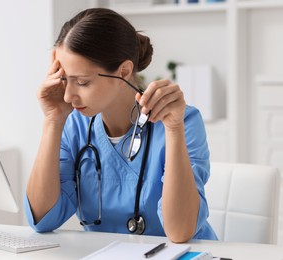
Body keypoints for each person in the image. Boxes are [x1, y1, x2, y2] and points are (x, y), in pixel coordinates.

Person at [24, 7, 217, 243]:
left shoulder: (181, 121)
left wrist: (174, 129)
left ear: (124, 71)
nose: (67, 96)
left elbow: (180, 232)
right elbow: (43, 219)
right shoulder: (73, 124)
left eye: (82, 82)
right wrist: (52, 120)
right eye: (65, 80)